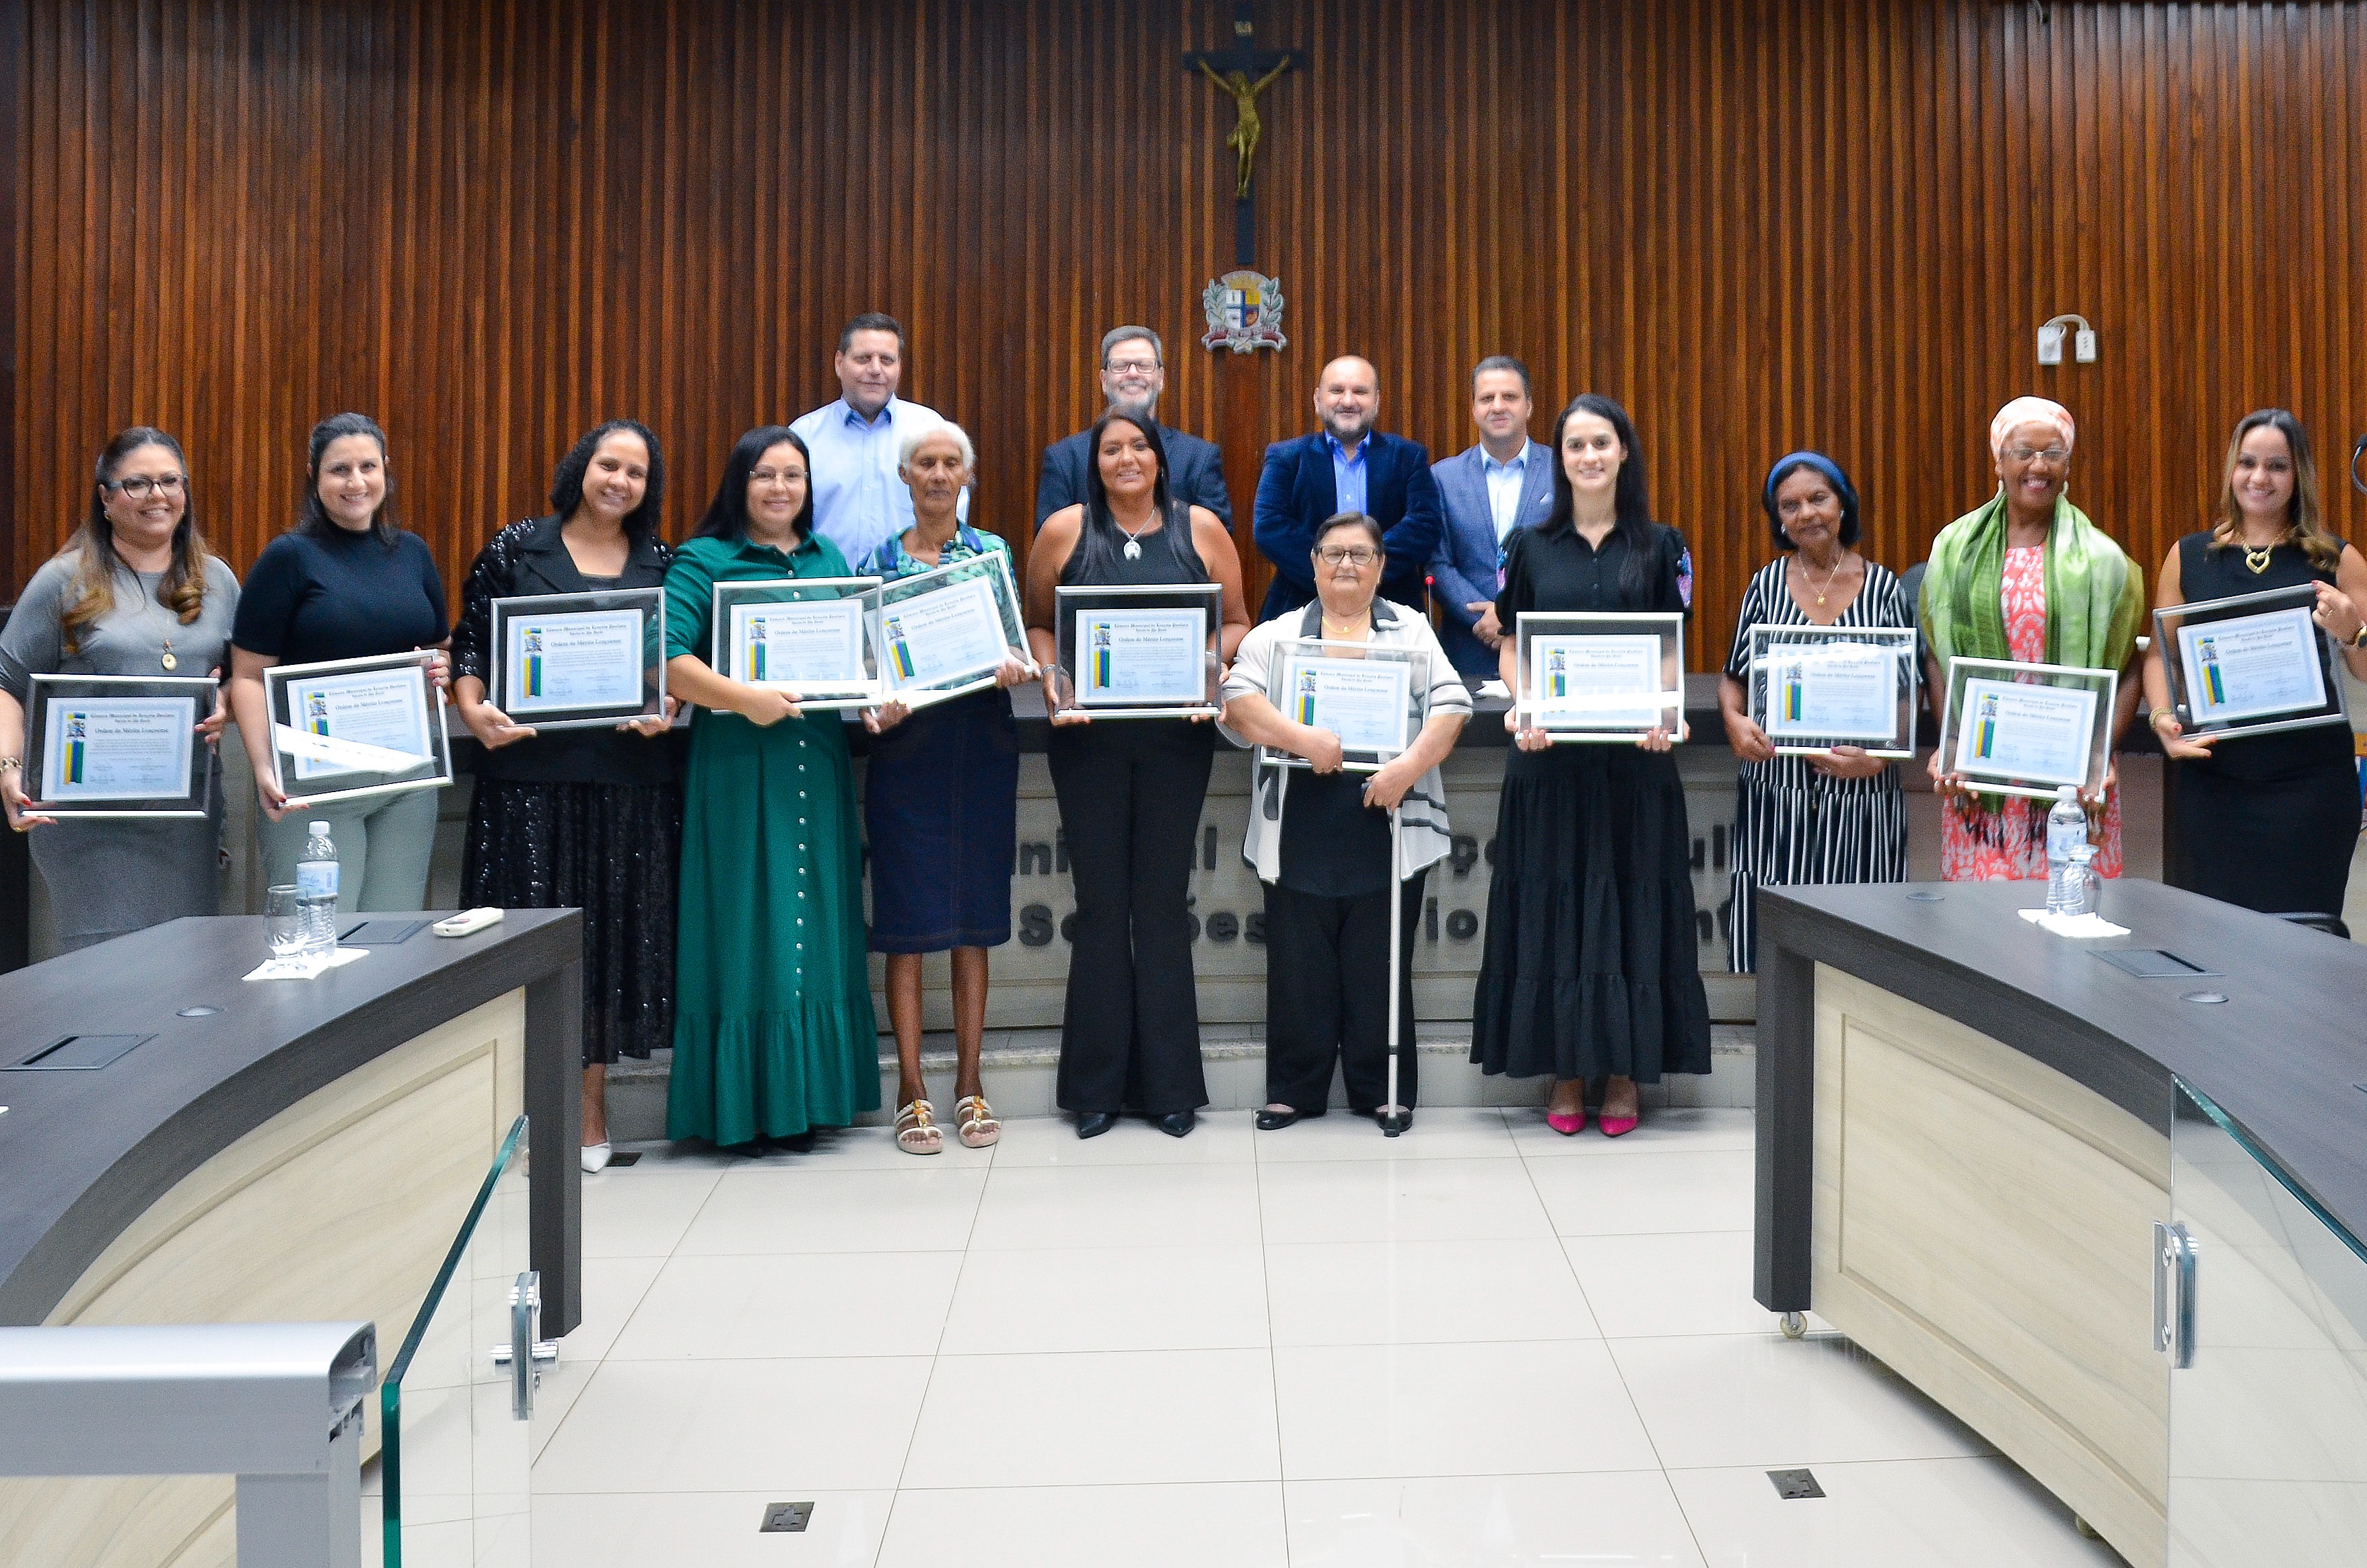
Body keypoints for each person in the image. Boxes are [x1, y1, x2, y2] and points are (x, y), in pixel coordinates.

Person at [1470, 394, 1712, 1137]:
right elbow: (1511, 642)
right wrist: (1525, 704)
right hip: (1549, 766)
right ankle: (1564, 1073)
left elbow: (1668, 651)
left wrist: (1664, 710)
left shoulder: (1664, 545)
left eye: (1601, 443)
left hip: (1636, 768)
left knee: (1629, 908)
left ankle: (1622, 1076)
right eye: (1575, 445)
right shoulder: (1527, 545)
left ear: (1623, 452)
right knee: (1554, 906)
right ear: (1560, 456)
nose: (1589, 457)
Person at [450, 420, 682, 1174]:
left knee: (608, 948)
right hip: (527, 781)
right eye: (609, 464)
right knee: (525, 942)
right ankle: (508, 1114)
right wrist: (472, 704)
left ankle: (588, 1110)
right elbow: (472, 644)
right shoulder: (517, 547)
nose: (620, 480)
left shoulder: (661, 560)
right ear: (582, 466)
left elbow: (676, 662)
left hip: (627, 782)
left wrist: (670, 706)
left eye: (637, 472)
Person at [1026, 407, 1251, 1139]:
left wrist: (1209, 669)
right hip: (1086, 740)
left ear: (1159, 460)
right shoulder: (1064, 530)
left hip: (1174, 740)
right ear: (1095, 463)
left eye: (1139, 448)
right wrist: (1054, 677)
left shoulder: (1201, 529)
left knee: (1158, 905)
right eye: (1111, 449)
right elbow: (1037, 623)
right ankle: (1093, 1089)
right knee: (1098, 905)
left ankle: (1170, 1088)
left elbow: (1238, 621)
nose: (1126, 458)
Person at [660, 427, 881, 1151]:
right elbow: (663, 657)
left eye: (793, 475)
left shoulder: (828, 557)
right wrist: (741, 696)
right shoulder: (705, 560)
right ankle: (744, 1108)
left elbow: (865, 651)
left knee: (816, 920)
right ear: (738, 483)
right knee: (745, 921)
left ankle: (811, 1100)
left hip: (814, 760)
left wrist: (884, 687)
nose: (780, 488)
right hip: (736, 763)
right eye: (764, 475)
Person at [1220, 511, 1471, 1130]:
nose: (1346, 566)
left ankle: (1383, 1090)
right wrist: (1301, 737)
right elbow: (1236, 703)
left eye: (1360, 555)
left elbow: (1451, 706)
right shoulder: (1276, 634)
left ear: (1381, 567)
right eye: (1333, 553)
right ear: (1312, 563)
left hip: (1384, 817)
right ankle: (1293, 1090)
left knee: (1380, 967)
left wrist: (1404, 770)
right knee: (1297, 966)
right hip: (1298, 824)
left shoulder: (1409, 629)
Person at [857, 420, 1030, 1155]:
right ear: (904, 476)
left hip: (981, 745)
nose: (936, 473)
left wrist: (1014, 663)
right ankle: (910, 1087)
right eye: (923, 463)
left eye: (949, 462)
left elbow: (1015, 642)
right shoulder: (876, 559)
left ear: (967, 474)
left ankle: (968, 1081)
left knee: (973, 918)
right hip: (907, 750)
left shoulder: (990, 553)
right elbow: (868, 663)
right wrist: (876, 701)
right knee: (908, 921)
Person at [1, 427, 236, 949]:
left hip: (186, 813)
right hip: (91, 818)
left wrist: (226, 705)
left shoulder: (218, 580)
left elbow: (241, 680)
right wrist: (8, 767)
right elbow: (7, 684)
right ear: (106, 498)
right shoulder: (63, 580)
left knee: (188, 965)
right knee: (105, 969)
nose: (158, 495)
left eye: (170, 481)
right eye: (138, 483)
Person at [2144, 409, 2367, 918]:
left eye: (2276, 466)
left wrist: (2352, 632)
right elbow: (2161, 655)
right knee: (2209, 942)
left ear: (2298, 476)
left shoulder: (2336, 559)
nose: (2259, 478)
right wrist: (2161, 721)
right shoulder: (2189, 555)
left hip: (2308, 789)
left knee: (2300, 948)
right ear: (2231, 470)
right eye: (2247, 463)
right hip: (2212, 784)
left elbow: (2364, 669)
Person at [227, 413, 450, 910]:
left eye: (367, 467)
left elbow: (439, 650)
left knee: (392, 941)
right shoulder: (288, 557)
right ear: (315, 475)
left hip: (406, 781)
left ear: (385, 471)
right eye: (339, 470)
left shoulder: (412, 553)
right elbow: (247, 676)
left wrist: (437, 672)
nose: (356, 482)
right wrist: (263, 767)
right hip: (316, 786)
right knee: (318, 941)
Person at [1921, 398, 2144, 881]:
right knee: (1980, 936)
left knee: (2069, 932)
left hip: (2070, 785)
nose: (2038, 466)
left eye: (2054, 454)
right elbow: (1938, 659)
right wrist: (1955, 740)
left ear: (2068, 466)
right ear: (1997, 461)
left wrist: (2095, 755)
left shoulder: (2104, 560)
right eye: (2023, 451)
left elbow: (2127, 669)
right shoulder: (1953, 551)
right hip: (1981, 781)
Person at [1717, 453, 1913, 972]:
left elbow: (1905, 696)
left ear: (1842, 504)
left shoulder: (1885, 589)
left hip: (1860, 795)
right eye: (1790, 505)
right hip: (1776, 791)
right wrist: (1734, 722)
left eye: (1817, 499)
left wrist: (1879, 759)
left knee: (1860, 935)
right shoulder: (1763, 586)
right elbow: (1733, 679)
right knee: (1778, 935)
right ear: (1778, 518)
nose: (1806, 513)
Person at [1253, 355, 1444, 616]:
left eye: (1360, 392)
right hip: (1300, 606)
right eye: (1337, 390)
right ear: (1318, 400)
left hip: (1393, 607)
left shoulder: (1408, 457)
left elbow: (1424, 525)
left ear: (1376, 401)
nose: (1348, 401)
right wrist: (1332, 570)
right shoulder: (1286, 457)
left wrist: (1364, 567)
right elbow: (1270, 527)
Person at [789, 312, 963, 567]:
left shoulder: (932, 431)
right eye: (863, 359)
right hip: (827, 590)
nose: (875, 369)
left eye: (887, 360)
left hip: (911, 590)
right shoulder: (803, 436)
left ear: (899, 367)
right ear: (839, 363)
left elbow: (952, 520)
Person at [1429, 356, 1555, 678]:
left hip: (1543, 650)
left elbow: (1575, 557)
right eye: (1487, 398)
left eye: (1509, 397)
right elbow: (1437, 564)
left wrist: (1512, 615)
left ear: (1528, 405)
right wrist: (1484, 619)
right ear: (1473, 408)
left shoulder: (1563, 471)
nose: (1498, 407)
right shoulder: (1443, 477)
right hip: (1467, 650)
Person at [1036, 326, 1232, 528]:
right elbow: (1051, 545)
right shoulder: (1064, 459)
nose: (1132, 373)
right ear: (1104, 380)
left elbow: (1216, 542)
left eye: (1144, 365)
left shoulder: (1199, 458)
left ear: (1161, 378)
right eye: (1121, 366)